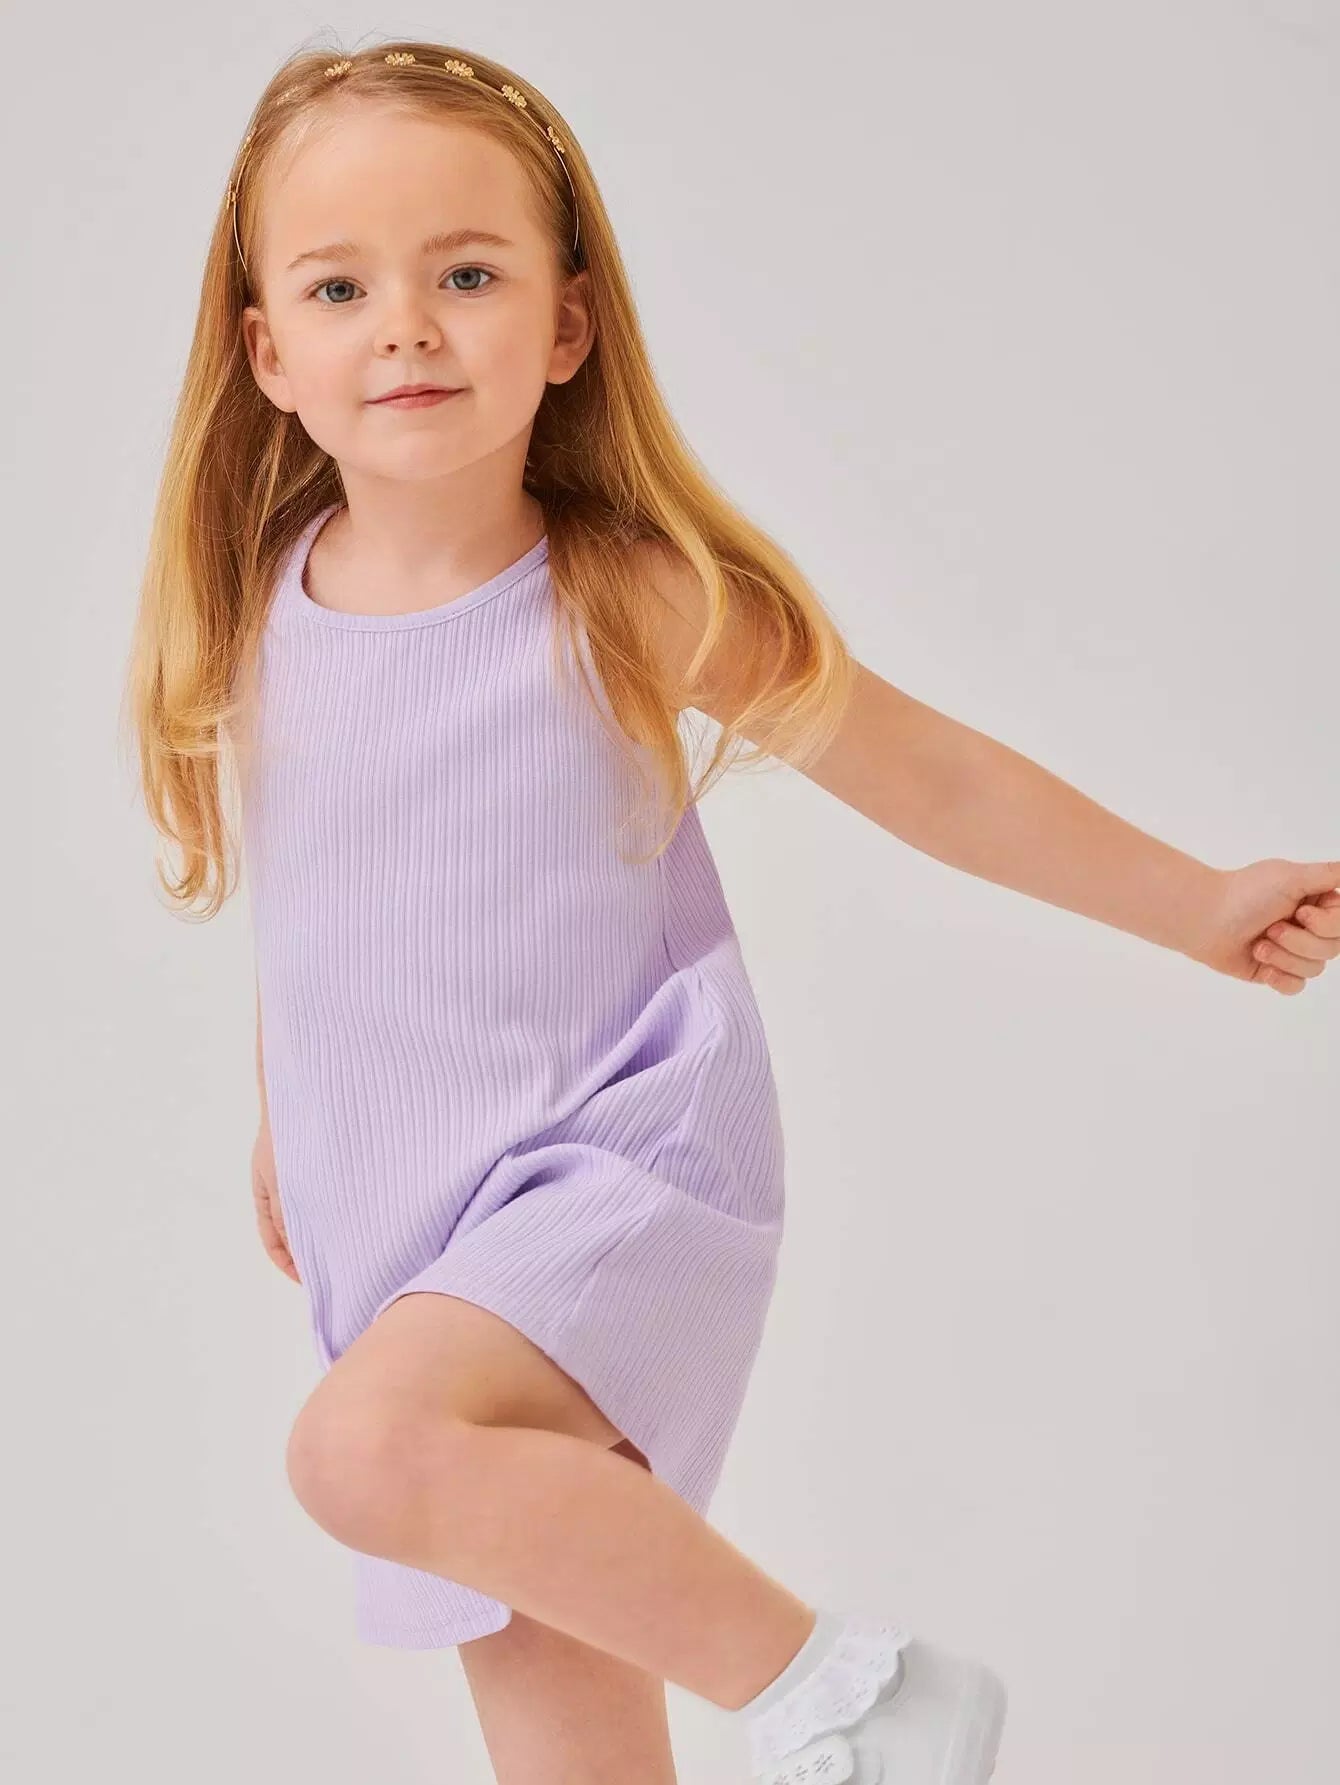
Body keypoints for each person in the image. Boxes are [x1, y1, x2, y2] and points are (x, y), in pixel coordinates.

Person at [123, 36, 1340, 1785]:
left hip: (625, 1156)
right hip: (406, 1198)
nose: (406, 329)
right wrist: (282, 1116)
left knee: (360, 1450)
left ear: (566, 324)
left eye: (466, 275)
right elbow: (327, 890)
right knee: (562, 1725)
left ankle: (855, 1694)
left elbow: (929, 773)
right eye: (340, 288)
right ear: (267, 352)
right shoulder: (259, 609)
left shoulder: (620, 595)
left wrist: (1198, 903)